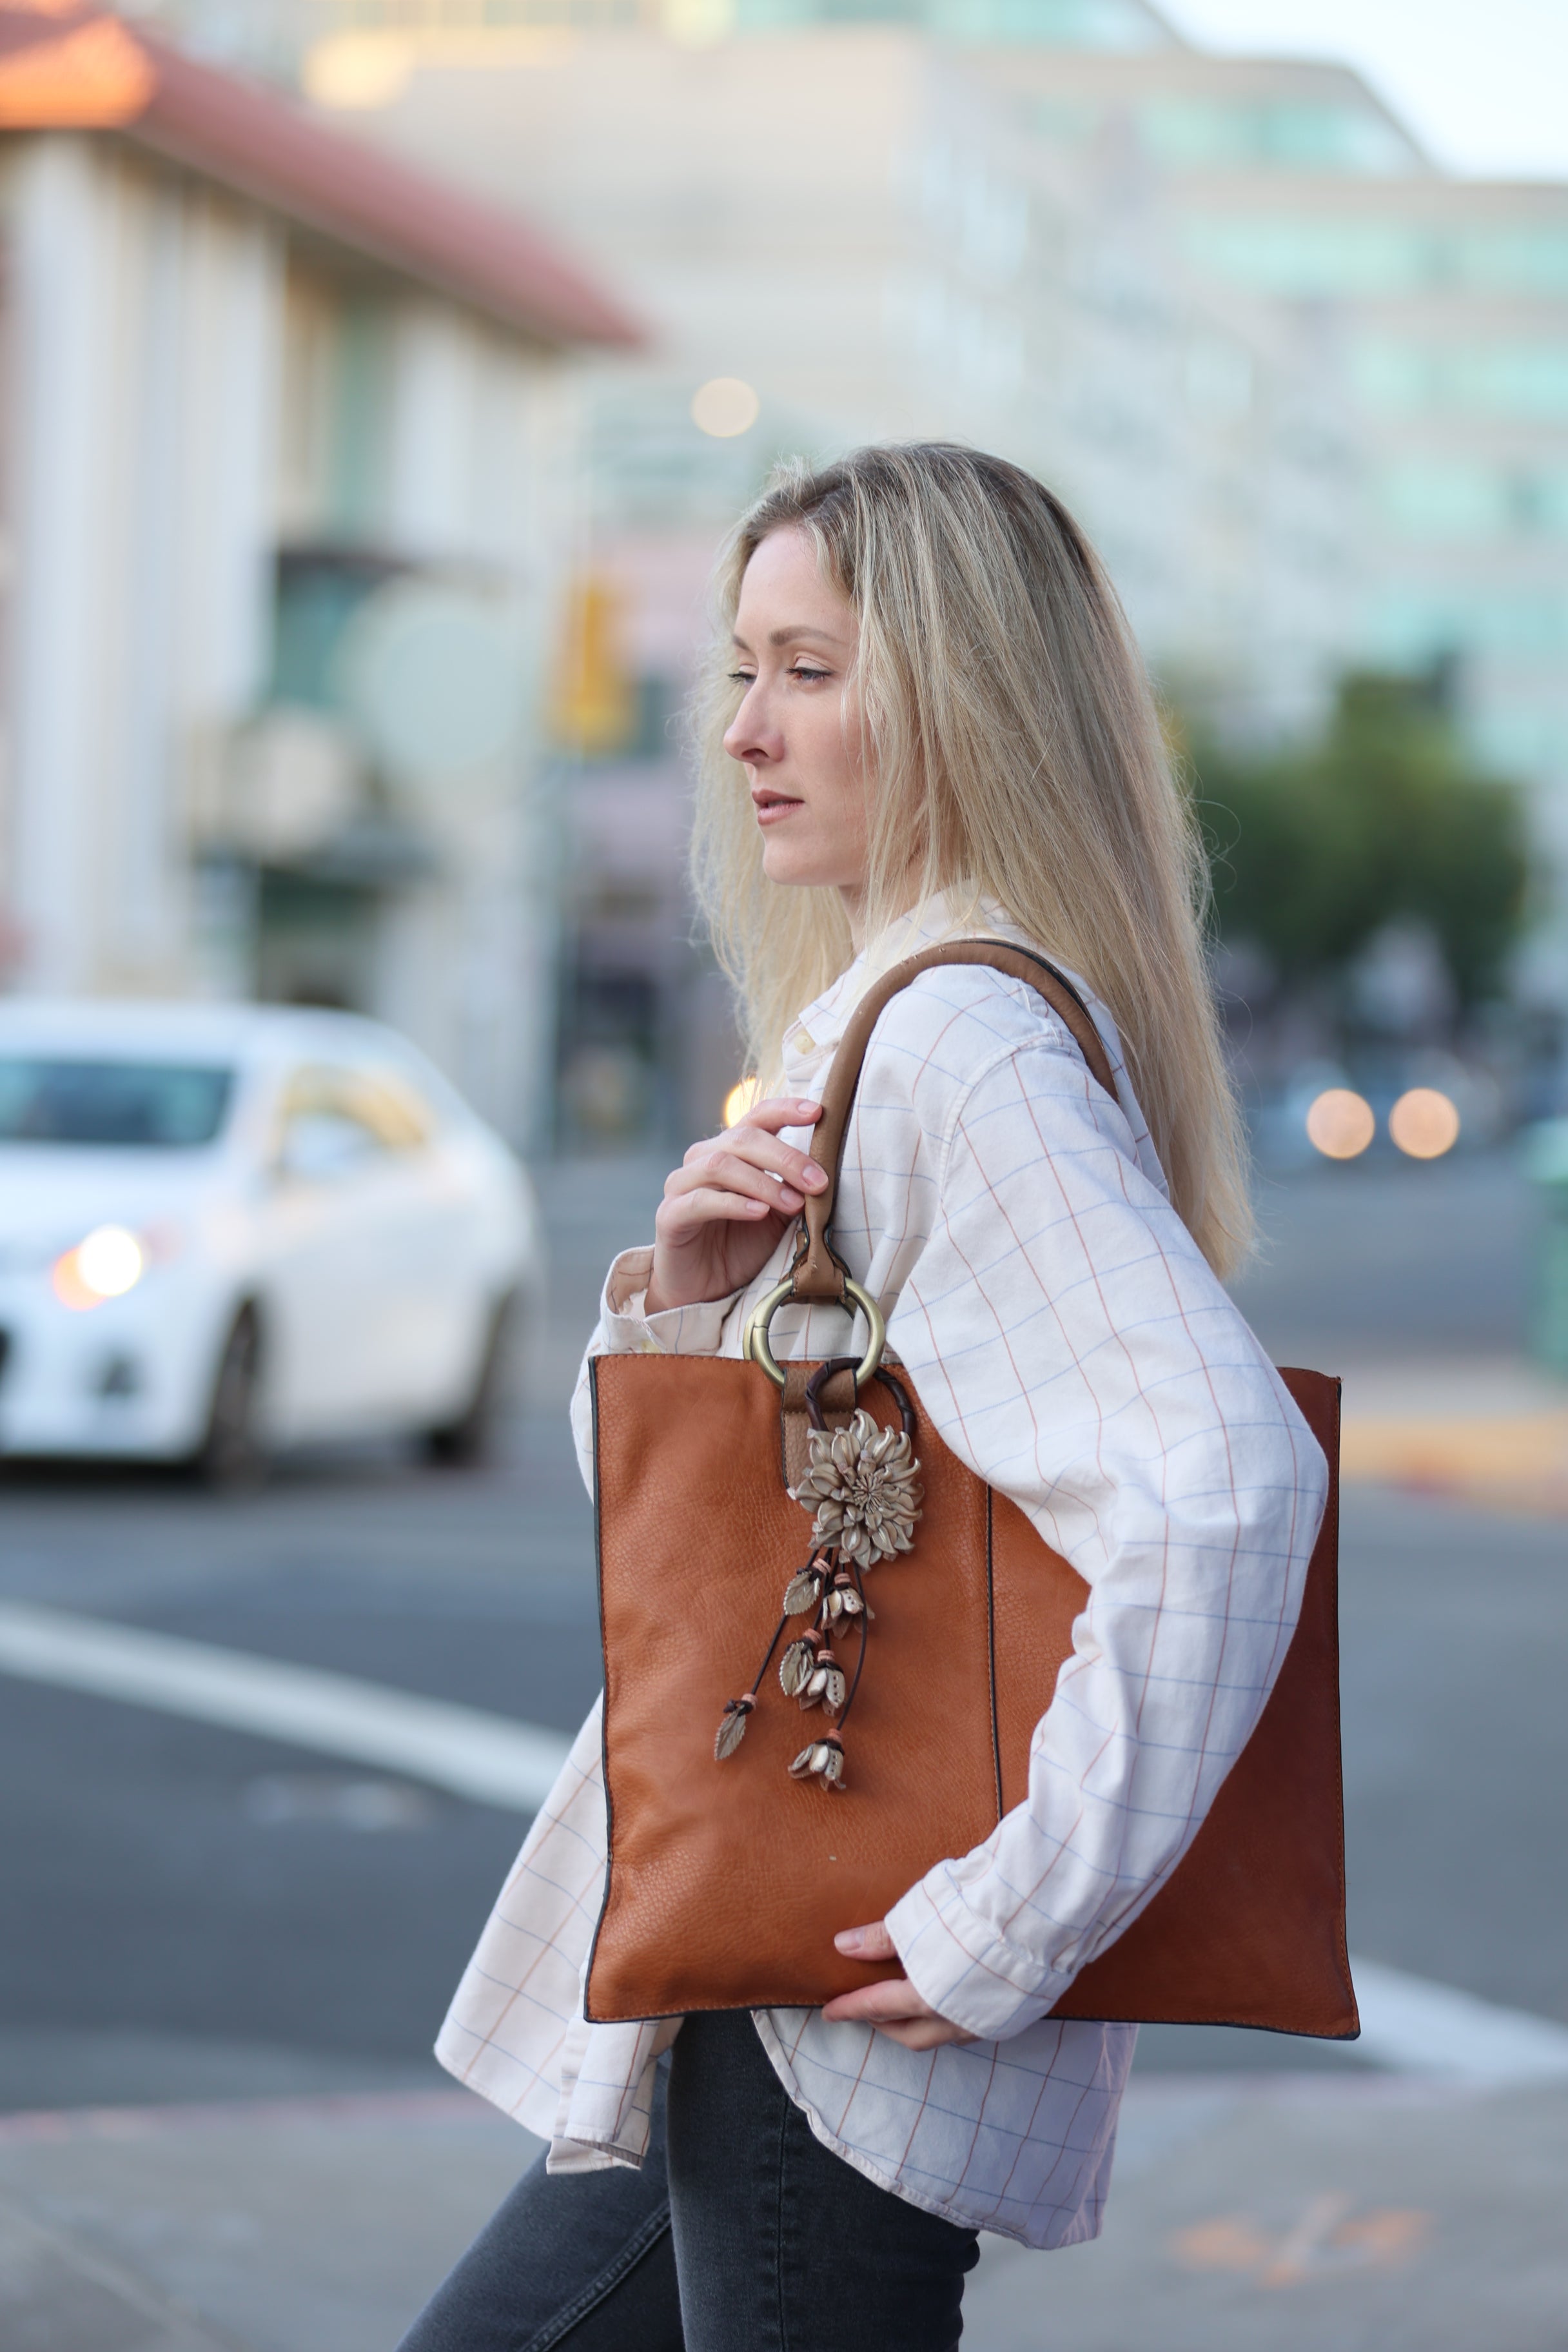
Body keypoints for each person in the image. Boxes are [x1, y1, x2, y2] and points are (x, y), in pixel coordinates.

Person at [398, 444, 1329, 2352]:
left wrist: (1010, 1921)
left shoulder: (964, 1045)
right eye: (740, 671)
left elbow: (1229, 1481)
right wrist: (692, 1311)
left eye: (811, 670)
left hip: (837, 1986)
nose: (748, 731)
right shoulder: (936, 1010)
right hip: (778, 1971)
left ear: (962, 693)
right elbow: (691, 1538)